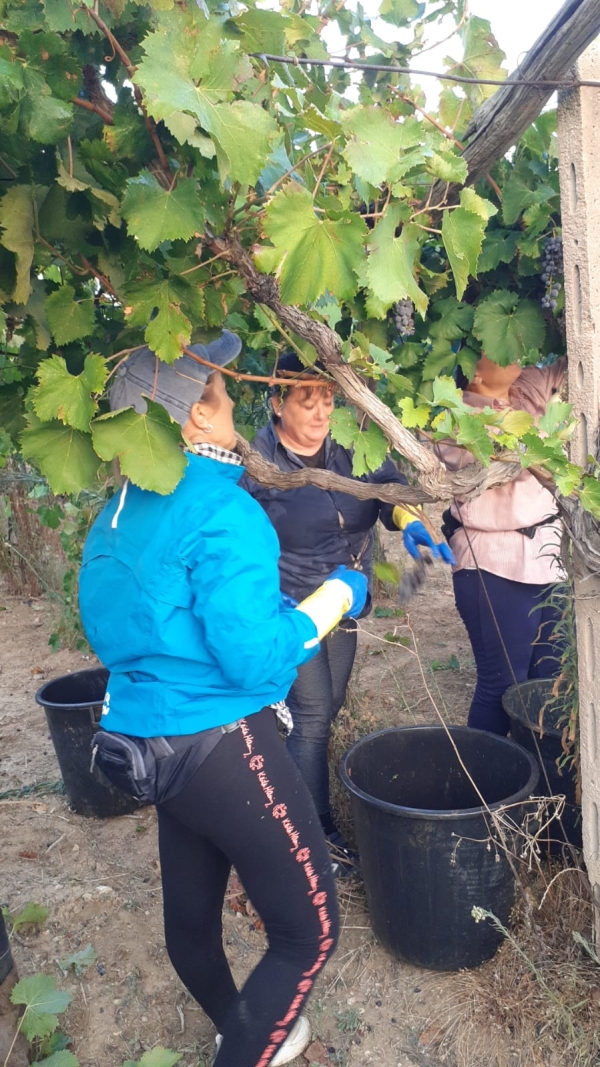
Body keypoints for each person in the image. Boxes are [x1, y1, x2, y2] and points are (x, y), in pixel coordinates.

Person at [78, 333, 370, 1067]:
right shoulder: (225, 511)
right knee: (311, 931)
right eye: (216, 390)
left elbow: (115, 624)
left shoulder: (119, 510)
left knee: (191, 928)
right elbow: (258, 655)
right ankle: (247, 1045)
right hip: (219, 741)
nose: (233, 398)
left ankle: (244, 1027)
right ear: (193, 424)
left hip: (145, 738)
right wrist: (339, 593)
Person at [241, 351, 454, 861]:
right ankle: (313, 839)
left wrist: (409, 521)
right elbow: (239, 548)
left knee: (327, 704)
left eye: (329, 401)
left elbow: (384, 489)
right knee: (313, 714)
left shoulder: (349, 444)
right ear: (276, 403)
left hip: (346, 601)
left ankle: (274, 771)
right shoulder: (259, 468)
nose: (320, 414)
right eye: (306, 401)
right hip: (291, 606)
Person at [438, 353, 567, 736]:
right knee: (502, 685)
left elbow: (573, 361)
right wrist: (553, 424)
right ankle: (488, 789)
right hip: (492, 566)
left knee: (550, 682)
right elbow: (512, 449)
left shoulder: (526, 389)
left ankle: (542, 786)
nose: (514, 351)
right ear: (476, 370)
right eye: (495, 347)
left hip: (547, 560)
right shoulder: (451, 419)